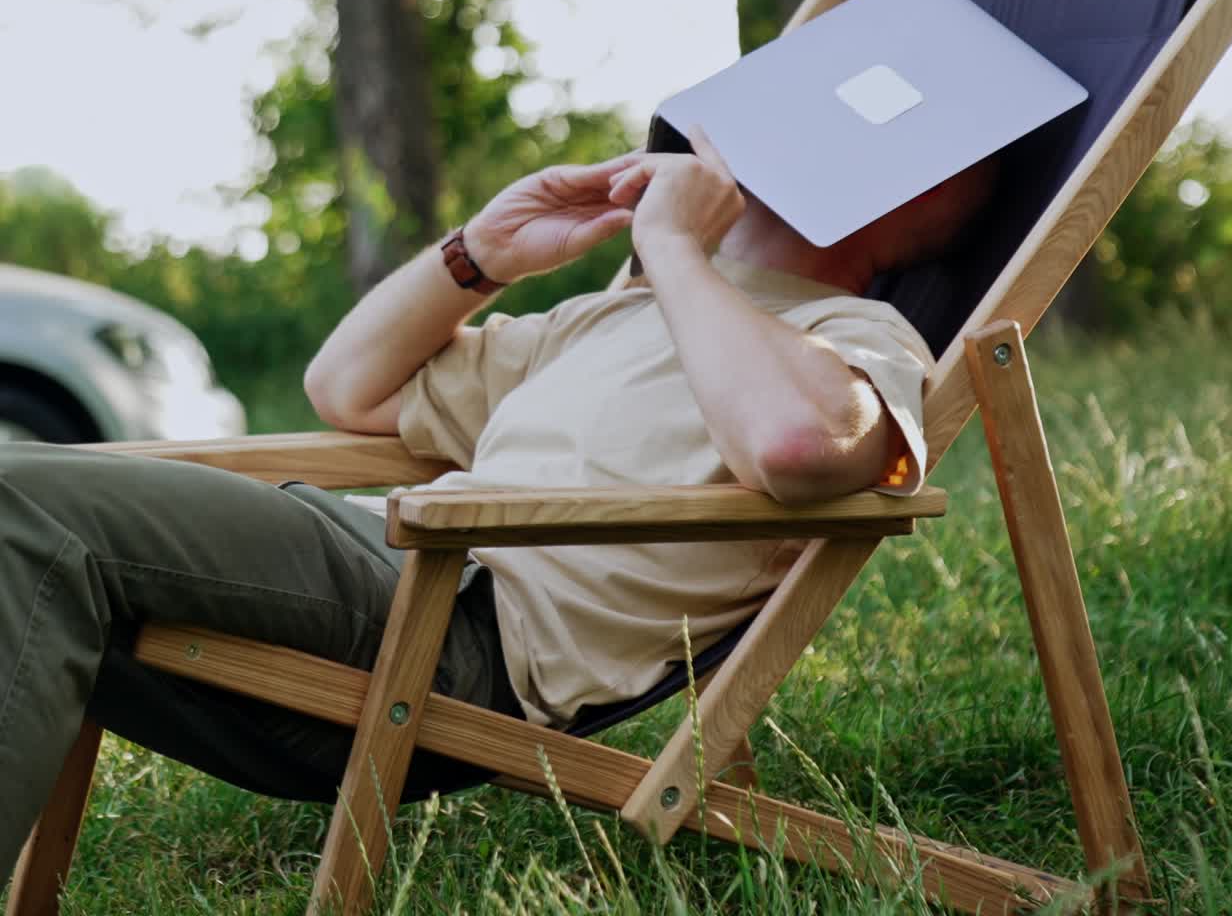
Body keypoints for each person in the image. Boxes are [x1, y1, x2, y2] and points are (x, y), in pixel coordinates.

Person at [0, 128, 995, 877]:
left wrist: (680, 252)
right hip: (384, 570)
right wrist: (481, 253)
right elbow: (346, 385)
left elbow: (791, 444)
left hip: (454, 624)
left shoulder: (857, 336)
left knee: (19, 508)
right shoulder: (609, 319)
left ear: (894, 196)